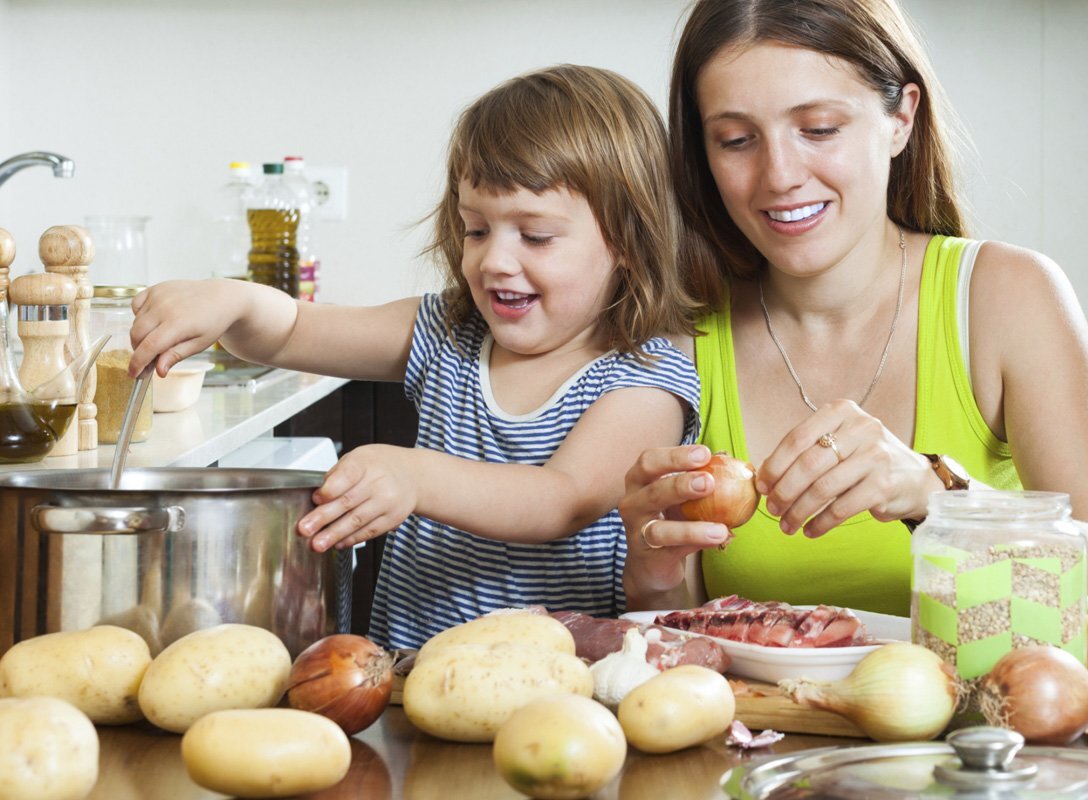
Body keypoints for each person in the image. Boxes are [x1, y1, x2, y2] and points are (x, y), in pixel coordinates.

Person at [128, 65, 701, 649]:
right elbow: (291, 332)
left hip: (564, 699)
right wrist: (236, 302)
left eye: (535, 236)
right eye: (476, 229)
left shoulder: (646, 379)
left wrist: (415, 474)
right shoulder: (446, 330)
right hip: (408, 682)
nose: (494, 259)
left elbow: (562, 500)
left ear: (628, 242)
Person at [618, 0, 1088, 618]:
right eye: (736, 140)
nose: (779, 175)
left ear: (901, 118)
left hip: (983, 712)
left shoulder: (1007, 296)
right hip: (771, 718)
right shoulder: (683, 332)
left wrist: (939, 495)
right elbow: (683, 633)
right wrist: (651, 570)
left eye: (819, 128)